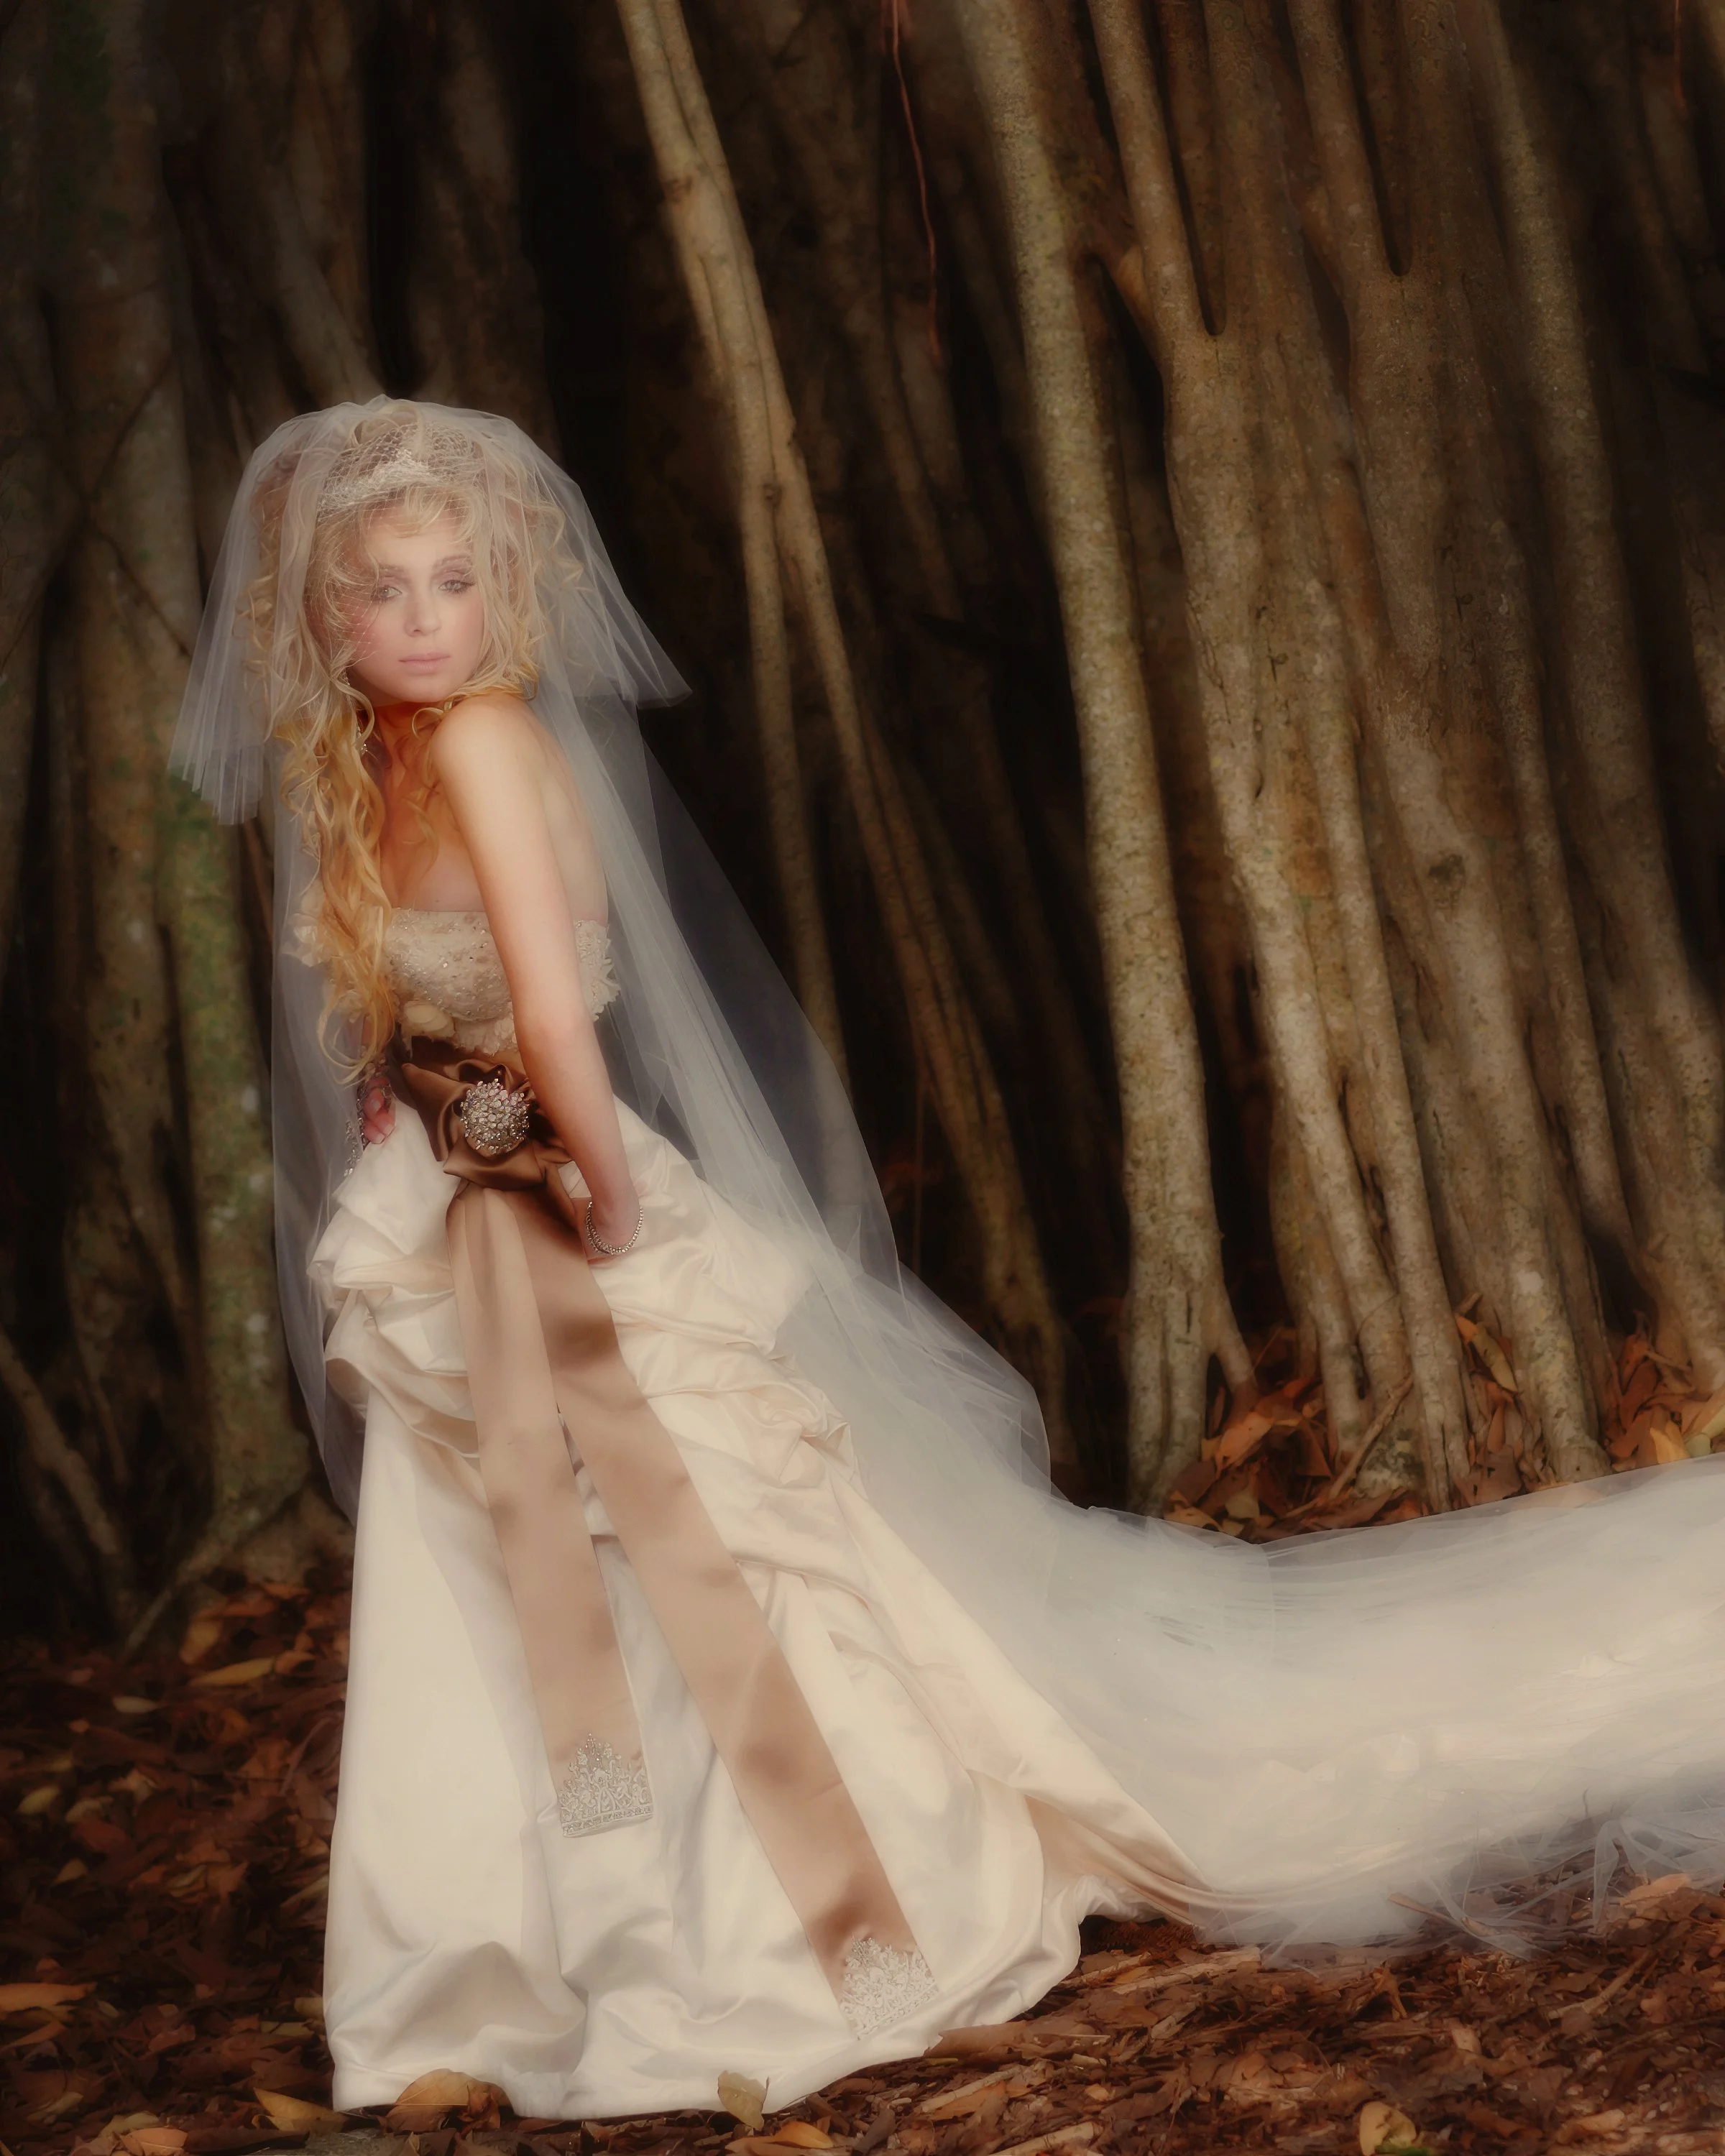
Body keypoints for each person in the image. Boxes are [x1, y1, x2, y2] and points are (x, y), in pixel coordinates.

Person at [172, 398, 1725, 2122]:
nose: (419, 618)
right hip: (464, 1202)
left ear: (504, 594)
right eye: (381, 589)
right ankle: (537, 1943)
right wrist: (416, 1104)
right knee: (519, 1567)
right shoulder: (379, 759)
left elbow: (554, 1012)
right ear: (323, 613)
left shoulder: (471, 745)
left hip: (550, 1192)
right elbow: (425, 1007)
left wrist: (597, 1202)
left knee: (683, 1551)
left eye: (451, 581)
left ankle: (706, 1943)